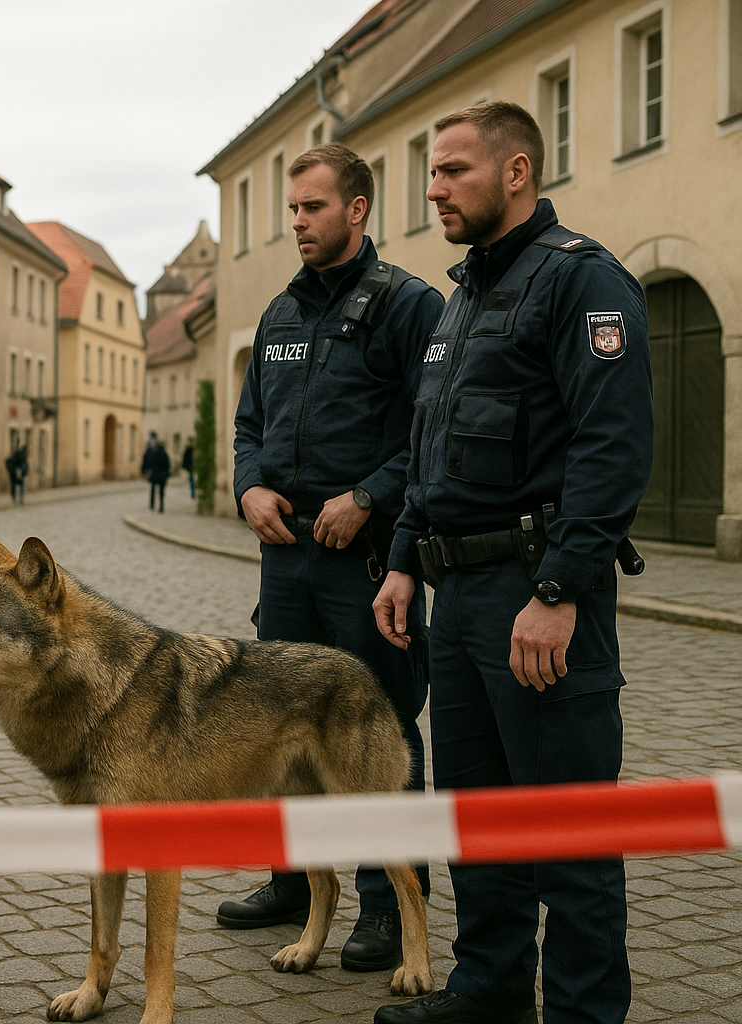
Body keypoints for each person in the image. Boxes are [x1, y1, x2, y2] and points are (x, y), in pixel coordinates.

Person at [372, 102, 652, 1024]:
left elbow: (613, 450)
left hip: (539, 598)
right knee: (479, 818)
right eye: (433, 172)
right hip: (457, 602)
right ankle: (488, 990)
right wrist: (406, 558)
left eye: (453, 170)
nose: (434, 186)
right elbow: (432, 450)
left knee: (569, 833)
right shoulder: (463, 296)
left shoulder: (583, 281)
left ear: (517, 171)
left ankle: (580, 1012)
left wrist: (561, 589)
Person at [222, 143, 444, 972]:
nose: (297, 223)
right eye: (292, 210)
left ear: (357, 209)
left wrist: (370, 498)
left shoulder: (408, 306)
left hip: (365, 562)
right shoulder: (281, 313)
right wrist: (249, 489)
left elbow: (431, 430)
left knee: (378, 733)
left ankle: (387, 908)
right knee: (281, 728)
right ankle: (292, 882)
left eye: (312, 208)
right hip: (287, 558)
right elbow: (249, 427)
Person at [142, 434, 170, 512]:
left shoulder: (154, 453)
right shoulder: (164, 454)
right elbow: (168, 464)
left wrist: (146, 471)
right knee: (161, 491)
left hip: (155, 474)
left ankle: (152, 504)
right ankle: (161, 506)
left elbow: (150, 463)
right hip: (162, 475)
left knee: (153, 490)